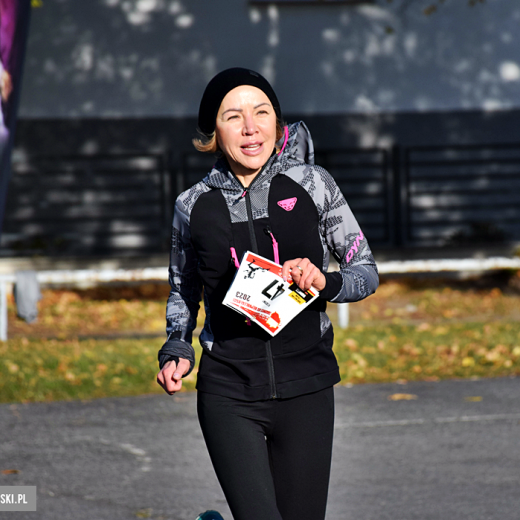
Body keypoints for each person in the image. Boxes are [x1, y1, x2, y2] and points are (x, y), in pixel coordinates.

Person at [156, 67, 378, 520]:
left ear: (278, 123)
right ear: (213, 133)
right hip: (229, 391)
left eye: (261, 112)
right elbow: (183, 289)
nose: (250, 127)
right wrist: (176, 345)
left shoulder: (314, 185)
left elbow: (366, 272)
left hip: (307, 387)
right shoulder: (192, 205)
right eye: (233, 116)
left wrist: (324, 282)